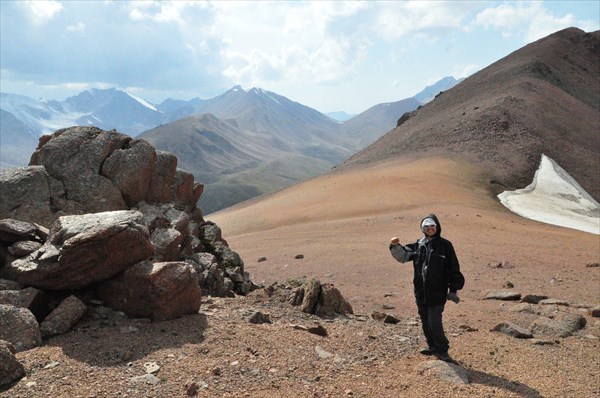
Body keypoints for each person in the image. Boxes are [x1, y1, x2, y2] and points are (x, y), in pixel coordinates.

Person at [389, 214, 465, 363]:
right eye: (426, 226)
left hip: (437, 292)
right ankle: (432, 346)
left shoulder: (445, 246)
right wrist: (395, 246)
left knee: (434, 321)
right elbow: (403, 256)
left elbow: (453, 267)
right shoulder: (419, 244)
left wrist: (453, 289)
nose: (430, 228)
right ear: (422, 229)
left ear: (437, 227)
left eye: (432, 226)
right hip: (421, 291)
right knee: (425, 320)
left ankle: (442, 350)